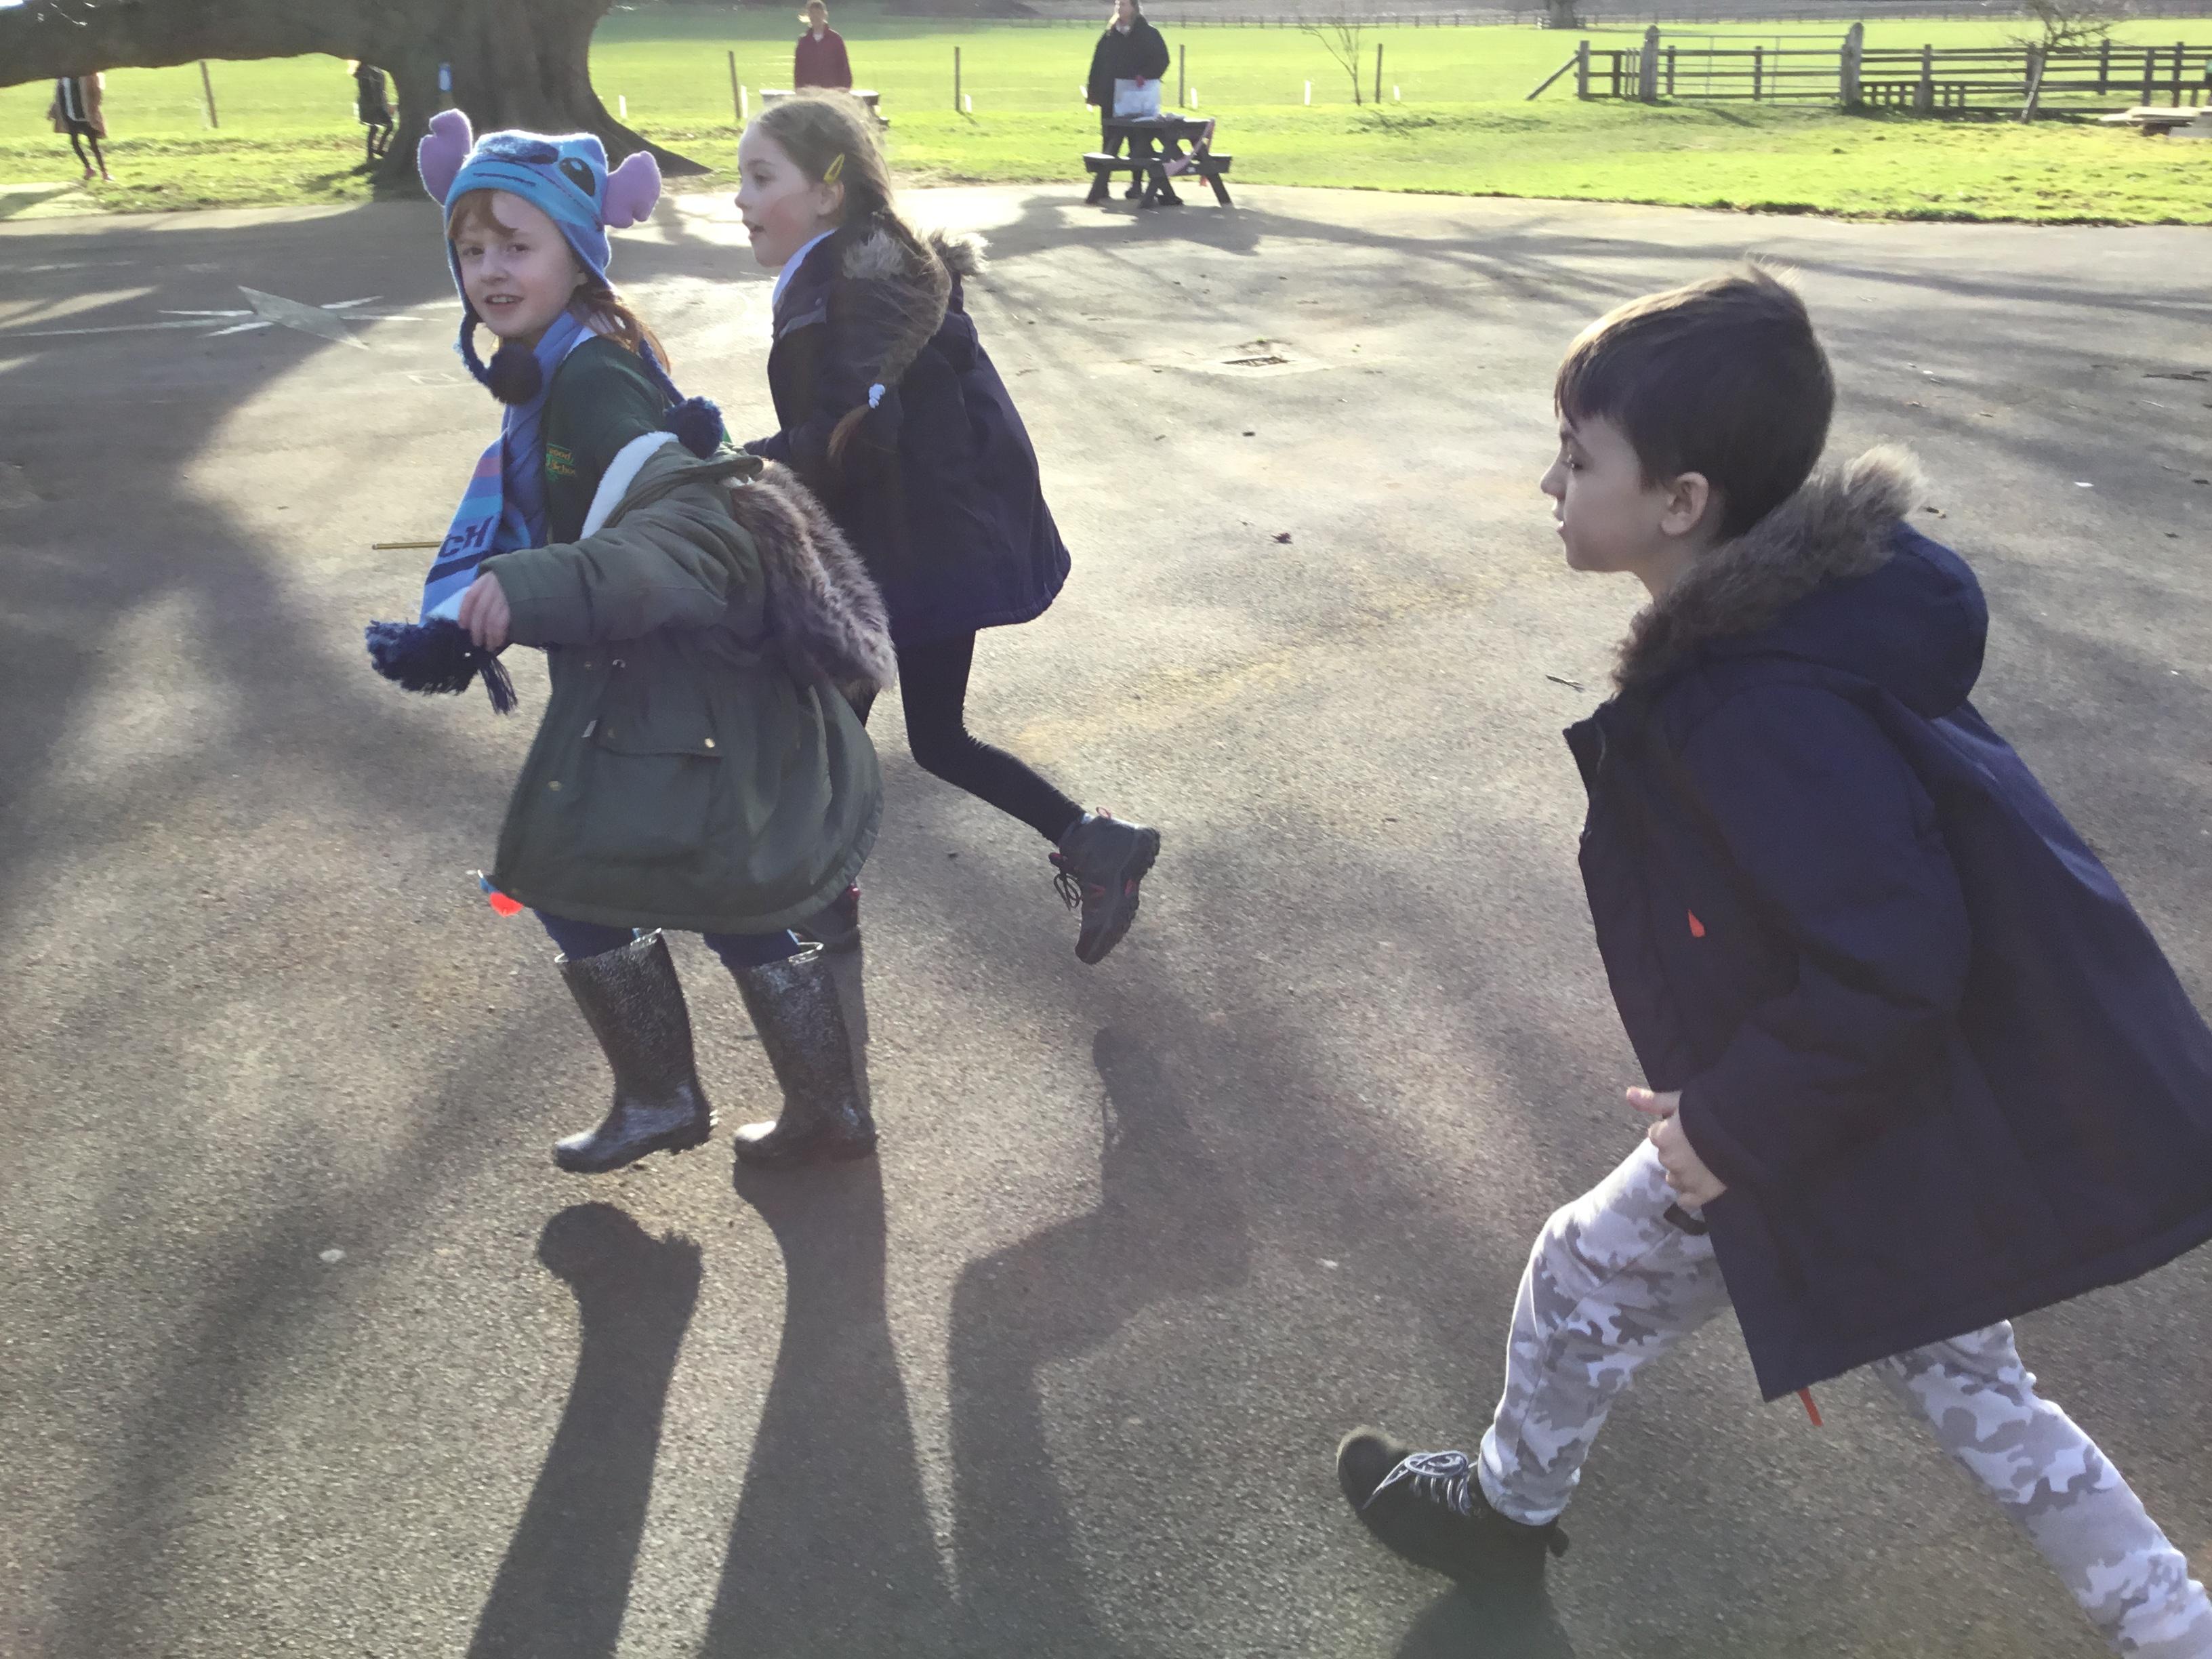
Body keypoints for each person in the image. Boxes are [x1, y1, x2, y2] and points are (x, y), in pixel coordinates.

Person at [1334, 267, 2212, 1658]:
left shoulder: (1757, 705)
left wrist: (1727, 1128)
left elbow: (1893, 960)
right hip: (1873, 1110)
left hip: (1826, 1119)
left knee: (1583, 1275)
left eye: (1578, 458)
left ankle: (1499, 1514)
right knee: (1973, 1388)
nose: (1549, 484)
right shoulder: (1779, 640)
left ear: (1680, 502)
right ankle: (2171, 1626)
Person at [373, 110, 894, 1172]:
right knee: (728, 892)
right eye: (471, 250)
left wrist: (530, 587)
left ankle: (666, 1097)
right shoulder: (560, 362)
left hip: (678, 686)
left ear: (577, 251)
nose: (490, 270)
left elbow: (690, 530)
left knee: (568, 875)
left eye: (517, 245)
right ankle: (821, 1109)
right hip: (669, 680)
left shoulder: (591, 379)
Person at [731, 91, 1161, 966]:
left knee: (824, 739)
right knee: (924, 738)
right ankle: (1096, 843)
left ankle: (816, 910)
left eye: (761, 177)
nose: (740, 198)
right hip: (922, 545)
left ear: (828, 192)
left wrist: (738, 462)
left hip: (913, 553)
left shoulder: (856, 290)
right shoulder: (859, 272)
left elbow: (855, 438)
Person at [1085, 0, 1175, 207]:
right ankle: (1102, 185)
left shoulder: (1149, 33)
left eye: (1124, 4)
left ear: (1134, 8)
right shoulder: (1110, 35)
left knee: (1138, 143)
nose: (1119, 8)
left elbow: (1162, 59)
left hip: (1137, 96)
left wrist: (1146, 74)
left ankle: (1137, 185)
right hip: (1111, 96)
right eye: (1118, 4)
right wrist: (1094, 92)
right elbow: (1097, 65)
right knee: (1109, 141)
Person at [47, 74, 109, 184]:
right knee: (75, 143)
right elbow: (58, 97)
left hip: (86, 117)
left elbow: (97, 93)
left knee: (94, 145)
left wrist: (94, 108)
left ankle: (104, 172)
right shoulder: (63, 79)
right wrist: (53, 110)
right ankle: (89, 168)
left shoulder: (87, 77)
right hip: (70, 116)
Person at [793, 1, 854, 93]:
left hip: (832, 92)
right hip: (809, 94)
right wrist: (799, 89)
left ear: (824, 15)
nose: (815, 16)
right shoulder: (803, 41)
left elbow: (844, 67)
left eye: (818, 13)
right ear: (808, 16)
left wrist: (844, 89)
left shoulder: (835, 39)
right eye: (812, 13)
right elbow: (798, 70)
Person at [352, 60, 396, 167]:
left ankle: (374, 152)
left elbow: (381, 90)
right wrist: (376, 105)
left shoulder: (374, 72)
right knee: (382, 126)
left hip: (376, 105)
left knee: (377, 128)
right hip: (372, 105)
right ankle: (374, 153)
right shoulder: (366, 74)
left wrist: (385, 103)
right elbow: (369, 91)